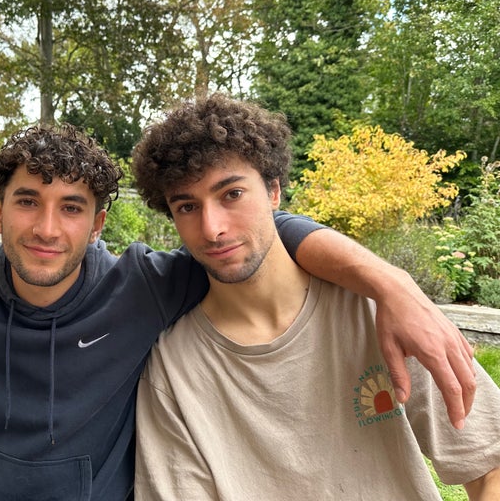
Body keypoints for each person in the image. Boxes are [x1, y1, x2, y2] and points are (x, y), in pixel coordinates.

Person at [0, 125, 477, 500]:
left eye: (71, 208)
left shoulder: (146, 286)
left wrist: (391, 285)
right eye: (27, 203)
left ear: (100, 222)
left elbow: (264, 238)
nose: (47, 229)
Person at [131, 94, 500, 500]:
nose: (212, 228)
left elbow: (490, 467)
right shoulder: (173, 368)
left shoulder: (379, 312)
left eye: (232, 194)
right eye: (187, 206)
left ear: (274, 191)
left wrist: (392, 286)